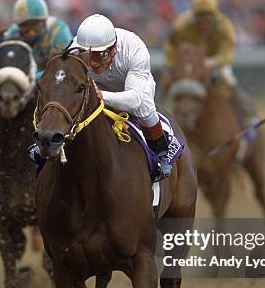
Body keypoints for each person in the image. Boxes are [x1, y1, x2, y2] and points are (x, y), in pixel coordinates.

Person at [30, 13, 172, 181]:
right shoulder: (75, 48)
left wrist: (101, 96)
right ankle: (47, 140)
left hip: (130, 88)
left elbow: (134, 100)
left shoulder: (135, 51)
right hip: (94, 86)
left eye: (99, 55)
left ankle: (161, 153)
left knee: (144, 108)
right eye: (87, 55)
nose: (92, 63)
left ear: (114, 49)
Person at [0, 0, 72, 123]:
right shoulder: (13, 32)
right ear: (17, 25)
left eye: (35, 25)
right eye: (25, 26)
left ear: (44, 21)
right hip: (25, 81)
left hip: (52, 82)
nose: (31, 32)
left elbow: (64, 70)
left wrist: (30, 78)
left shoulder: (59, 31)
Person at [163, 0, 255, 125]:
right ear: (194, 16)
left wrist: (212, 62)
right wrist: (171, 65)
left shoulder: (224, 25)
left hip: (213, 62)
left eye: (207, 20)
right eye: (200, 20)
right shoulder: (181, 24)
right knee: (167, 81)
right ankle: (159, 114)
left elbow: (227, 52)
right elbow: (171, 46)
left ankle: (248, 114)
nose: (203, 23)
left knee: (229, 81)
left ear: (214, 16)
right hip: (188, 62)